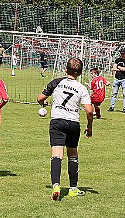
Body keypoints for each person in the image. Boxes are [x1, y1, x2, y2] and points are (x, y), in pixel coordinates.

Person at [37, 57, 93, 200]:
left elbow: (39, 98)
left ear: (65, 70)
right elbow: (89, 111)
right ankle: (73, 188)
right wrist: (90, 126)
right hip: (73, 123)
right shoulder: (81, 88)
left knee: (57, 154)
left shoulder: (57, 82)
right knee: (72, 154)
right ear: (80, 73)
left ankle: (56, 185)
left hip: (57, 121)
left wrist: (44, 103)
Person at [108, 48, 125, 113]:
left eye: (123, 53)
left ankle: (124, 108)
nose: (122, 54)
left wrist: (118, 67)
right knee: (114, 93)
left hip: (124, 79)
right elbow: (113, 69)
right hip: (116, 79)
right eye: (121, 53)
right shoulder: (117, 60)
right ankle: (111, 107)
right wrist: (121, 68)